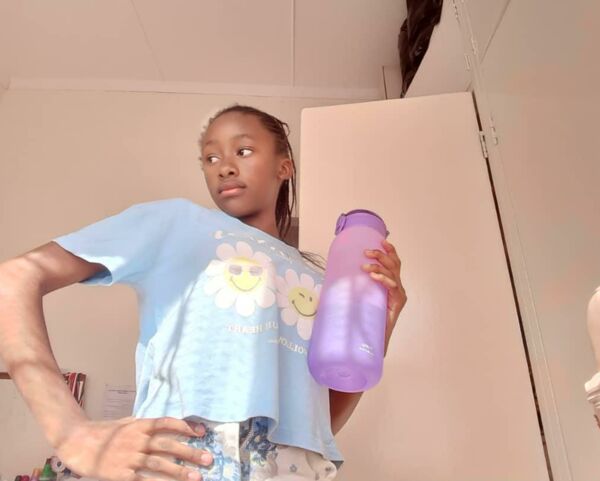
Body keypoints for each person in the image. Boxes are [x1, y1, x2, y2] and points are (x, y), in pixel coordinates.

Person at [0, 104, 408, 481]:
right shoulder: (176, 223)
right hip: (185, 464)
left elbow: (320, 425)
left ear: (284, 166)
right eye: (211, 158)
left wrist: (380, 331)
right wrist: (71, 433)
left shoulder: (318, 281)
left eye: (243, 151)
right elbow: (15, 278)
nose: (224, 167)